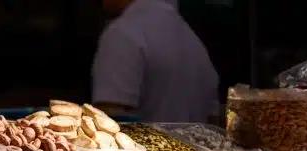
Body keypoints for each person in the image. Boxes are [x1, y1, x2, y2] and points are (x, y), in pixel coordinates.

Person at [91, 0, 220, 123]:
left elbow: (109, 121)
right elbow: (213, 119)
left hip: (142, 146)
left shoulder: (123, 33)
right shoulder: (195, 43)